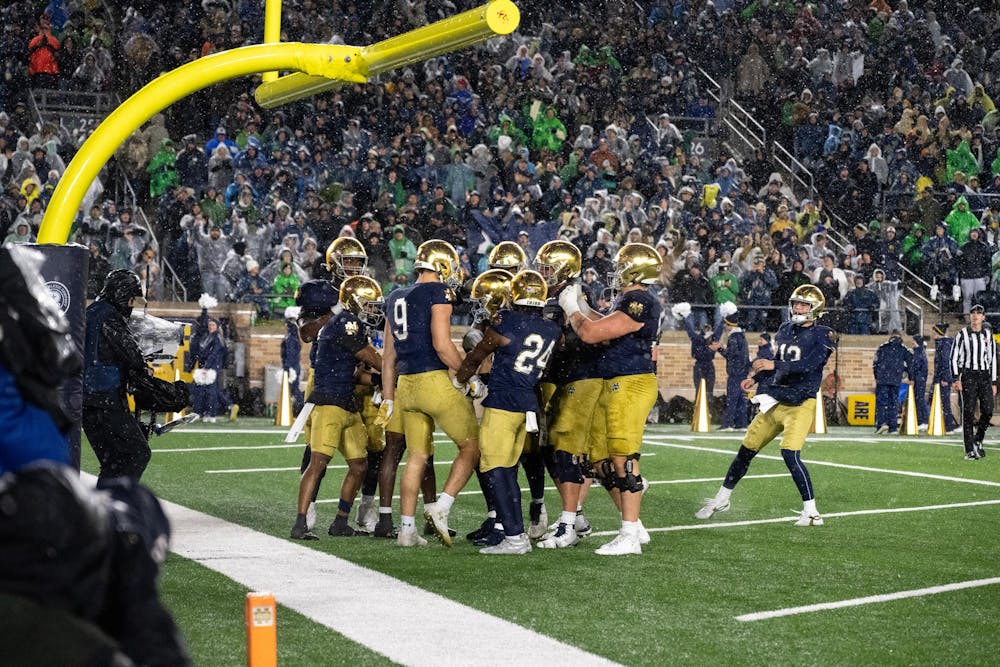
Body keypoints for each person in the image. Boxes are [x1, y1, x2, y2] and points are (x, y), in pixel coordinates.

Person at [696, 285, 837, 527]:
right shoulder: (785, 329)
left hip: (801, 402)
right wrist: (756, 377)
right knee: (746, 450)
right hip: (776, 398)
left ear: (815, 308)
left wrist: (773, 367)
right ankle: (722, 498)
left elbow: (810, 365)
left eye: (804, 304)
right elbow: (779, 362)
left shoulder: (823, 334)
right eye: (796, 303)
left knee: (789, 453)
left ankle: (811, 512)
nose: (798, 308)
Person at [558, 243, 663, 555]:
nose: (616, 271)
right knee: (603, 462)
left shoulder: (639, 299)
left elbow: (591, 333)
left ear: (635, 269)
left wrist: (572, 309)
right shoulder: (627, 297)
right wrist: (578, 303)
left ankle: (629, 535)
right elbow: (598, 321)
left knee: (624, 458)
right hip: (616, 382)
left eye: (622, 265)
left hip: (631, 383)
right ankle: (635, 527)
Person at [380, 240, 482, 547]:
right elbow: (442, 344)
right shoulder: (438, 292)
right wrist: (469, 373)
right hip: (433, 382)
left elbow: (388, 357)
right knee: (472, 447)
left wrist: (388, 397)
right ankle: (442, 506)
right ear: (442, 265)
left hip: (406, 387)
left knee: (417, 457)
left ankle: (406, 529)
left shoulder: (395, 295)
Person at [456, 270, 562, 554]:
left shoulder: (507, 320)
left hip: (504, 403)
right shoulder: (551, 329)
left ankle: (514, 537)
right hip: (528, 403)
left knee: (495, 469)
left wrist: (461, 379)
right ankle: (515, 533)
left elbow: (477, 354)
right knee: (508, 469)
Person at [290, 275, 385, 539]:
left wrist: (380, 376)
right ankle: (300, 523)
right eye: (369, 304)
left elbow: (356, 372)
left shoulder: (339, 322)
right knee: (318, 462)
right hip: (329, 403)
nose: (373, 310)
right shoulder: (347, 322)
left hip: (346, 402)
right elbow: (374, 360)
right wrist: (401, 369)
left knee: (359, 464)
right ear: (355, 302)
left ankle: (341, 522)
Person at [82, 270, 154, 484]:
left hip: (87, 402)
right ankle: (117, 505)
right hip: (106, 400)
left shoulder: (90, 312)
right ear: (123, 295)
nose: (132, 305)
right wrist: (143, 368)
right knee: (138, 453)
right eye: (131, 299)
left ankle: (104, 511)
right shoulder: (110, 316)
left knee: (113, 461)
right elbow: (131, 354)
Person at [950, 304, 997, 460]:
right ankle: (969, 449)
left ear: (983, 317)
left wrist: (994, 381)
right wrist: (956, 378)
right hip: (969, 375)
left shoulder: (988, 335)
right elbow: (954, 357)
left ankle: (978, 439)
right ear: (970, 317)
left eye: (979, 313)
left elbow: (992, 359)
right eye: (973, 313)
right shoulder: (962, 334)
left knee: (988, 410)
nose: (975, 316)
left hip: (984, 376)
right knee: (969, 413)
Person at [872, 331, 911, 435]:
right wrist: (909, 377)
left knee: (881, 402)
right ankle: (893, 427)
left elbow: (875, 364)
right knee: (893, 403)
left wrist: (877, 377)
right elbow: (910, 364)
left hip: (882, 379)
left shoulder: (882, 347)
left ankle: (882, 423)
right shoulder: (903, 349)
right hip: (895, 380)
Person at [718, 309, 751, 431]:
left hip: (735, 373)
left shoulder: (733, 337)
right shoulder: (742, 336)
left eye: (726, 324)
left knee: (732, 399)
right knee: (741, 399)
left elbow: (732, 355)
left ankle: (728, 424)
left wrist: (720, 349)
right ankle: (741, 423)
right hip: (743, 372)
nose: (725, 326)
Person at [930, 323, 960, 434]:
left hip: (942, 380)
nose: (932, 335)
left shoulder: (944, 344)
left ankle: (949, 426)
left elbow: (946, 363)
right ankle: (945, 424)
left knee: (944, 403)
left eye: (933, 333)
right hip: (940, 378)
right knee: (942, 402)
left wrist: (946, 379)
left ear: (939, 334)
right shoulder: (942, 344)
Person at [910, 335, 930, 432]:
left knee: (919, 400)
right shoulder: (920, 352)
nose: (911, 343)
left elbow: (916, 368)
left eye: (913, 341)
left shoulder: (918, 353)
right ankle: (923, 421)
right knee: (919, 400)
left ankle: (923, 421)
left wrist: (913, 378)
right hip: (920, 380)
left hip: (919, 380)